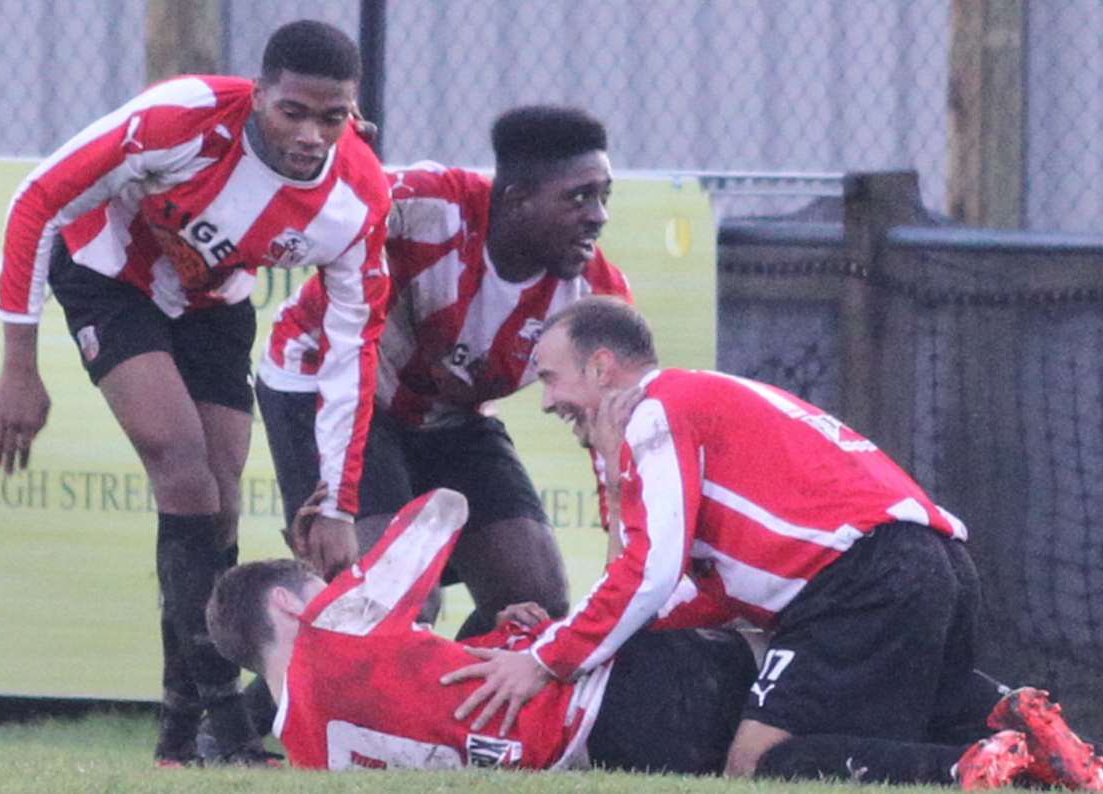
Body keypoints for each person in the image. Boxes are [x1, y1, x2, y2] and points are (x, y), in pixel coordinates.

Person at [441, 296, 1103, 790]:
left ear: (602, 365)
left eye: (553, 379)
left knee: (758, 766)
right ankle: (1024, 732)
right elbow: (686, 592)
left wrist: (545, 661)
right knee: (896, 725)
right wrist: (565, 634)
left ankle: (965, 768)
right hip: (933, 567)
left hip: (859, 581)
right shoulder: (706, 399)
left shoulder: (654, 411)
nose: (546, 399)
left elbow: (649, 570)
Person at [0, 20, 391, 766]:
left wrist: (338, 501)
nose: (310, 134)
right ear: (257, 95)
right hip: (107, 275)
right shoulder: (183, 117)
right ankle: (227, 730)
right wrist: (20, 363)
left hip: (212, 305)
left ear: (354, 115)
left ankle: (178, 733)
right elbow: (36, 199)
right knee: (179, 463)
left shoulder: (358, 200)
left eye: (330, 118)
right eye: (291, 112)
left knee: (221, 497)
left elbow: (351, 353)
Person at [256, 105, 632, 635]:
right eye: (579, 197)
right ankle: (245, 714)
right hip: (326, 384)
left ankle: (453, 715)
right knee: (395, 599)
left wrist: (629, 545)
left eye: (603, 196)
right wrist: (341, 156)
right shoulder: (435, 206)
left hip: (449, 416)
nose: (598, 215)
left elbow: (613, 437)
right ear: (518, 200)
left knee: (536, 603)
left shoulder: (595, 297)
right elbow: (332, 208)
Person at [207, 487, 757, 773]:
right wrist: (345, 574)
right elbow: (443, 508)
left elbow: (427, 710)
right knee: (775, 647)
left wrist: (494, 643)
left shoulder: (306, 753)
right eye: (311, 585)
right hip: (624, 694)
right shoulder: (334, 632)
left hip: (611, 749)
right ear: (285, 602)